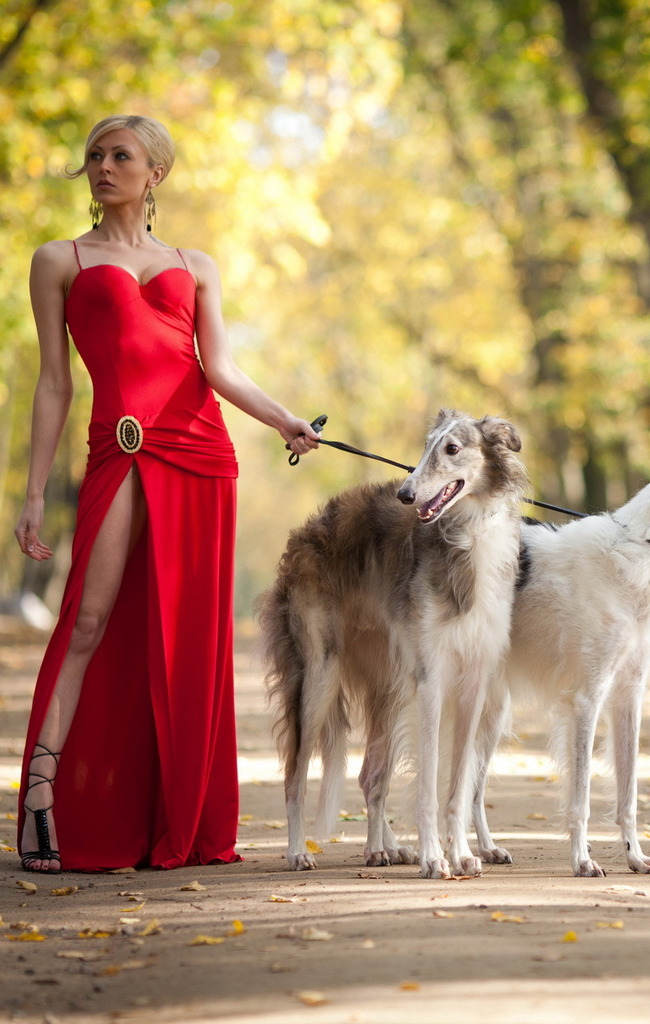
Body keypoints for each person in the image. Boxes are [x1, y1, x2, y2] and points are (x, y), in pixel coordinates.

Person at [12, 114, 321, 873]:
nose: (103, 166)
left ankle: (177, 816)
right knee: (88, 618)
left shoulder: (197, 263)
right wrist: (29, 493)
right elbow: (55, 384)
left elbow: (218, 368)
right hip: (119, 450)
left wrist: (283, 418)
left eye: (121, 156)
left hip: (201, 455)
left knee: (188, 640)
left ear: (155, 174)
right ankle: (41, 796)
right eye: (94, 155)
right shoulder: (60, 260)